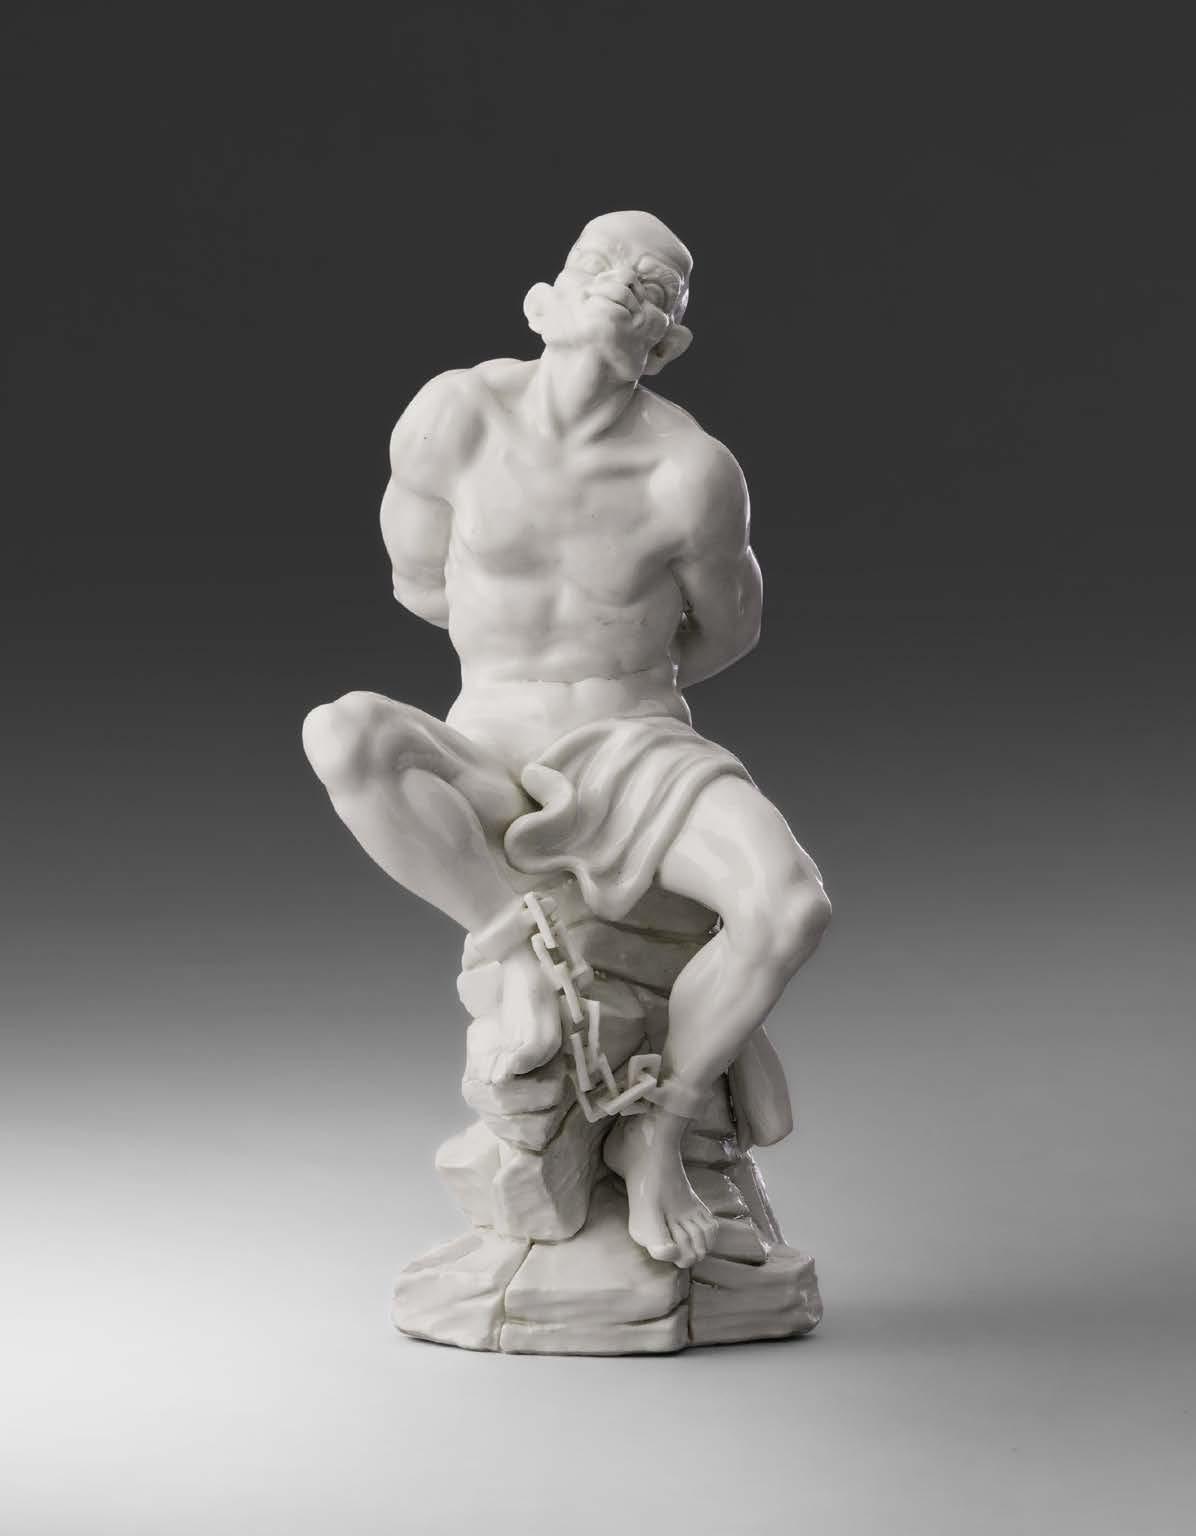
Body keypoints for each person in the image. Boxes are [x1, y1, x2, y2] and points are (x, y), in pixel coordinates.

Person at [303, 211, 831, 1269]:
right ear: (541, 301)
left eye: (656, 286)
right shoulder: (453, 417)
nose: (624, 285)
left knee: (789, 906)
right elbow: (418, 581)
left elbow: (726, 633)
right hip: (488, 739)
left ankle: (658, 1131)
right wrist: (518, 680)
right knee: (343, 733)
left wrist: (607, 687)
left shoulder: (691, 472)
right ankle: (514, 953)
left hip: (635, 745)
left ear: (666, 343)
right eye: (600, 265)